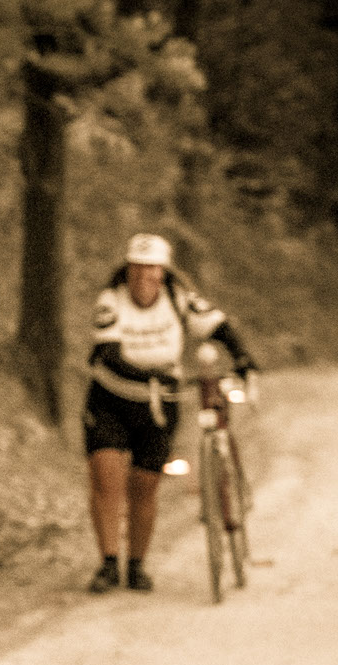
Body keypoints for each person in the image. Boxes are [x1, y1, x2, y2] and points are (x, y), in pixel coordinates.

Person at [83, 233, 257, 594]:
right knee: (107, 477)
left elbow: (219, 326)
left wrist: (243, 358)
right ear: (127, 271)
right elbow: (110, 354)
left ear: (162, 273)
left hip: (161, 406)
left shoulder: (179, 299)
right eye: (137, 270)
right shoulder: (110, 302)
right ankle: (109, 562)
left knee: (145, 485)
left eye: (152, 271)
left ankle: (137, 565)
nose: (144, 279)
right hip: (112, 400)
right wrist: (153, 376)